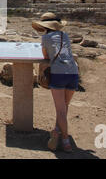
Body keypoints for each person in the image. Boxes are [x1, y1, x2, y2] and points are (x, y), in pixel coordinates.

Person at [32, 12, 79, 153]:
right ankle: (56, 132)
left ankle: (65, 142)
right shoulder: (65, 36)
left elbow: (45, 56)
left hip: (59, 73)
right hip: (73, 72)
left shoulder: (45, 38)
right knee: (64, 107)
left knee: (60, 110)